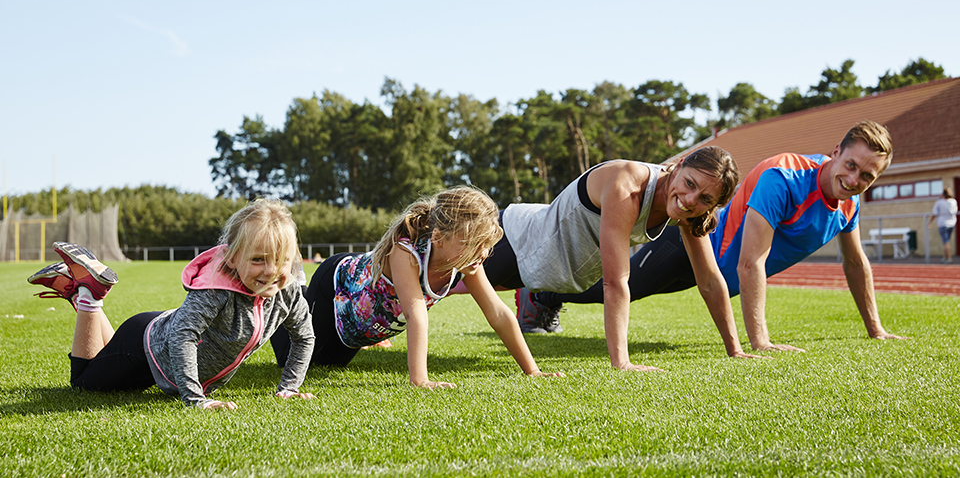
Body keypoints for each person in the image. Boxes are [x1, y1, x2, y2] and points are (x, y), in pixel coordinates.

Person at [530, 120, 909, 353]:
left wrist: (876, 329)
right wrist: (758, 341)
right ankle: (540, 295)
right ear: (836, 151)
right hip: (688, 243)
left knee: (642, 289)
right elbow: (751, 262)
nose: (854, 179)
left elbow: (856, 262)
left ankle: (543, 295)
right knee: (618, 285)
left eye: (867, 177)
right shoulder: (784, 177)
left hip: (717, 277)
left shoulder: (849, 204)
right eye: (851, 165)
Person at [466, 146, 754, 372]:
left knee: (444, 285)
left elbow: (709, 279)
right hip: (514, 241)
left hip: (543, 272)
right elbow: (615, 282)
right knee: (434, 280)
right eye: (689, 183)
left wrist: (735, 349)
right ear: (677, 167)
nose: (691, 200)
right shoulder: (627, 184)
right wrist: (622, 362)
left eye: (705, 199)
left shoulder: (691, 211)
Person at [27, 200, 316, 410]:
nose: (270, 271)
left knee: (104, 359)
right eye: (258, 259)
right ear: (231, 258)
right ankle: (89, 296)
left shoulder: (287, 291)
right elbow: (182, 336)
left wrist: (289, 388)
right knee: (82, 384)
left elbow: (304, 336)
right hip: (145, 348)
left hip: (157, 334)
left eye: (281, 261)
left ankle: (83, 294)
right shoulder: (216, 289)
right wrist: (195, 399)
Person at [270, 186, 564, 389]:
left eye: (486, 246)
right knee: (291, 360)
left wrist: (533, 371)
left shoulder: (465, 263)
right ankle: (285, 291)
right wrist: (420, 379)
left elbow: (498, 314)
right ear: (438, 237)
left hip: (356, 328)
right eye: (474, 244)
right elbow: (415, 314)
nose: (483, 254)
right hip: (334, 288)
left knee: (328, 365)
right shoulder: (406, 253)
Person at [929, 187, 958, 263]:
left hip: (943, 224)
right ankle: (945, 257)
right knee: (946, 241)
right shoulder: (953, 201)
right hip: (952, 223)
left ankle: (949, 258)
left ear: (943, 194)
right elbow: (955, 211)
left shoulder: (939, 202)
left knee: (946, 242)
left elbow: (935, 213)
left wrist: (930, 222)